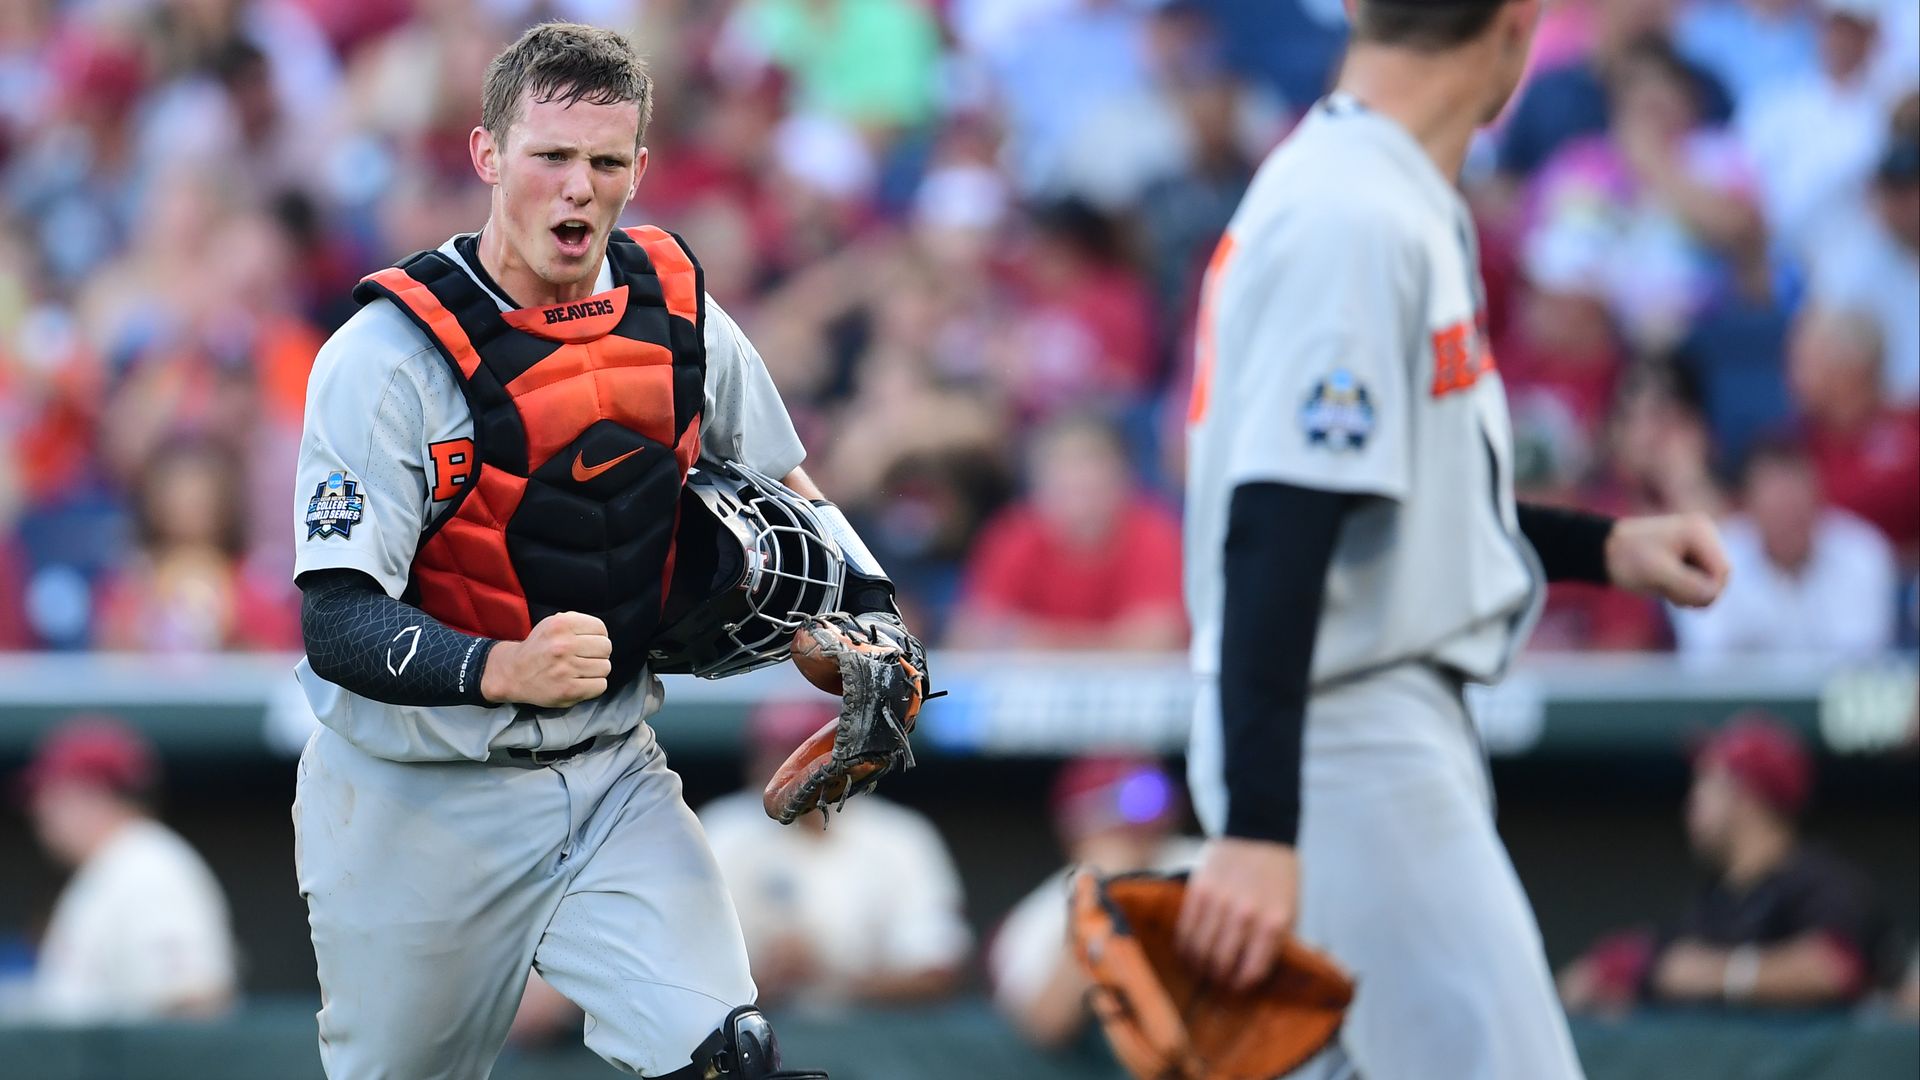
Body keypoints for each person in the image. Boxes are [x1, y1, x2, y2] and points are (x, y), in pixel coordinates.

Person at [289, 22, 922, 1080]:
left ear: (641, 166)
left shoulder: (678, 313)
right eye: (550, 157)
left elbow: (789, 489)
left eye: (604, 161)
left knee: (731, 1060)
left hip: (610, 769)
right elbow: (336, 619)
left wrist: (873, 628)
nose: (578, 188)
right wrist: (500, 667)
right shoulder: (386, 357)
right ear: (489, 156)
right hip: (413, 800)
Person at [1178, 0, 1732, 1076]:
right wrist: (1258, 826)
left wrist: (1601, 548)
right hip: (1346, 740)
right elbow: (1274, 532)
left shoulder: (1380, 189)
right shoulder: (1352, 214)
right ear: (1520, 27)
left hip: (1351, 725)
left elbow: (1387, 502)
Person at [1559, 713, 1897, 1010]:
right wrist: (1611, 969)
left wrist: (1723, 975)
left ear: (1747, 796)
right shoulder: (1719, 899)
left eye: (1707, 783)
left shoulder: (1822, 883)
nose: (1692, 802)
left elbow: (1833, 969)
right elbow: (1665, 960)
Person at [699, 702, 971, 1010]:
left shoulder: (899, 837)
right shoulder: (722, 830)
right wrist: (762, 979)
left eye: (802, 754)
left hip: (872, 1043)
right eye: (773, 753)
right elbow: (680, 964)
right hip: (752, 1032)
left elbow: (937, 970)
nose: (785, 769)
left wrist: (829, 974)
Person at [15, 716, 238, 1024]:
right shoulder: (110, 867)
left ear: (91, 794)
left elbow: (193, 1006)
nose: (39, 811)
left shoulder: (150, 867)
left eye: (51, 795)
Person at [988, 756, 1201, 1049]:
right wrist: (1102, 898)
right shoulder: (1041, 914)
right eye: (1135, 798)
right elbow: (1048, 1024)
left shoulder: (1207, 863)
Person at [948, 412, 1185, 652]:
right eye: (1065, 486)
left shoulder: (1155, 534)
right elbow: (972, 635)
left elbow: (1159, 640)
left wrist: (1032, 641)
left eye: (1090, 485)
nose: (1079, 503)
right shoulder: (1014, 535)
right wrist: (1109, 642)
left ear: (1124, 480)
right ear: (1038, 487)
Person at [1672, 435, 1896, 660]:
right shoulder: (1709, 561)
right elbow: (1707, 667)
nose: (1788, 520)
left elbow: (1863, 662)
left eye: (1796, 507)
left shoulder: (1863, 553)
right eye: (1776, 508)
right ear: (1749, 507)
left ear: (1818, 500)